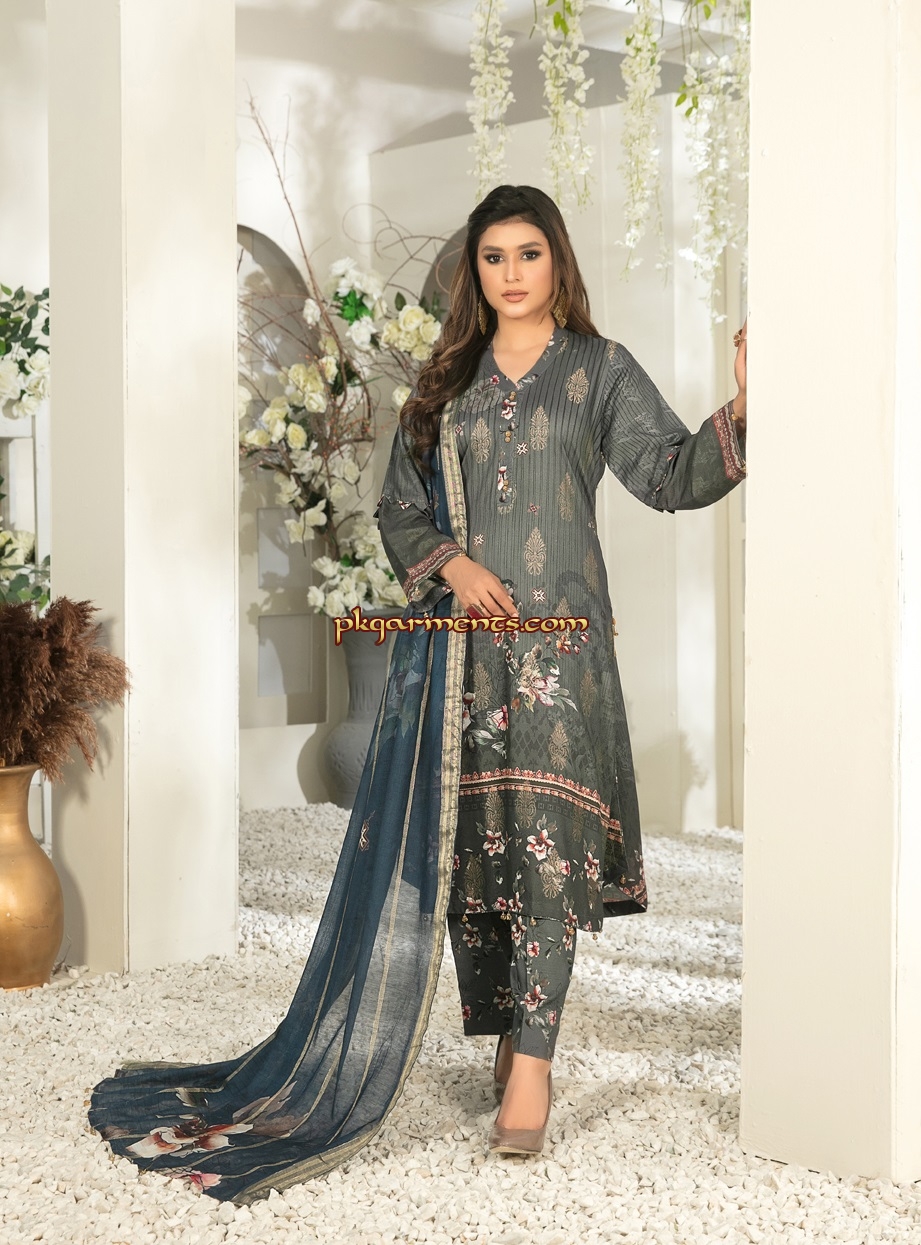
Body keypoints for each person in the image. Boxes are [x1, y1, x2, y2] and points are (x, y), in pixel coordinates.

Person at [88, 184, 746, 1204]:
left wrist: (745, 409)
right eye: (494, 256)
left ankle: (533, 1063)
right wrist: (453, 564)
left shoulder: (600, 371)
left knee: (546, 851)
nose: (512, 273)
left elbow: (669, 475)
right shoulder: (445, 385)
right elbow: (397, 508)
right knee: (469, 851)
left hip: (560, 658)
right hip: (457, 660)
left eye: (529, 253)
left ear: (558, 261)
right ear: (474, 271)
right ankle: (509, 1028)